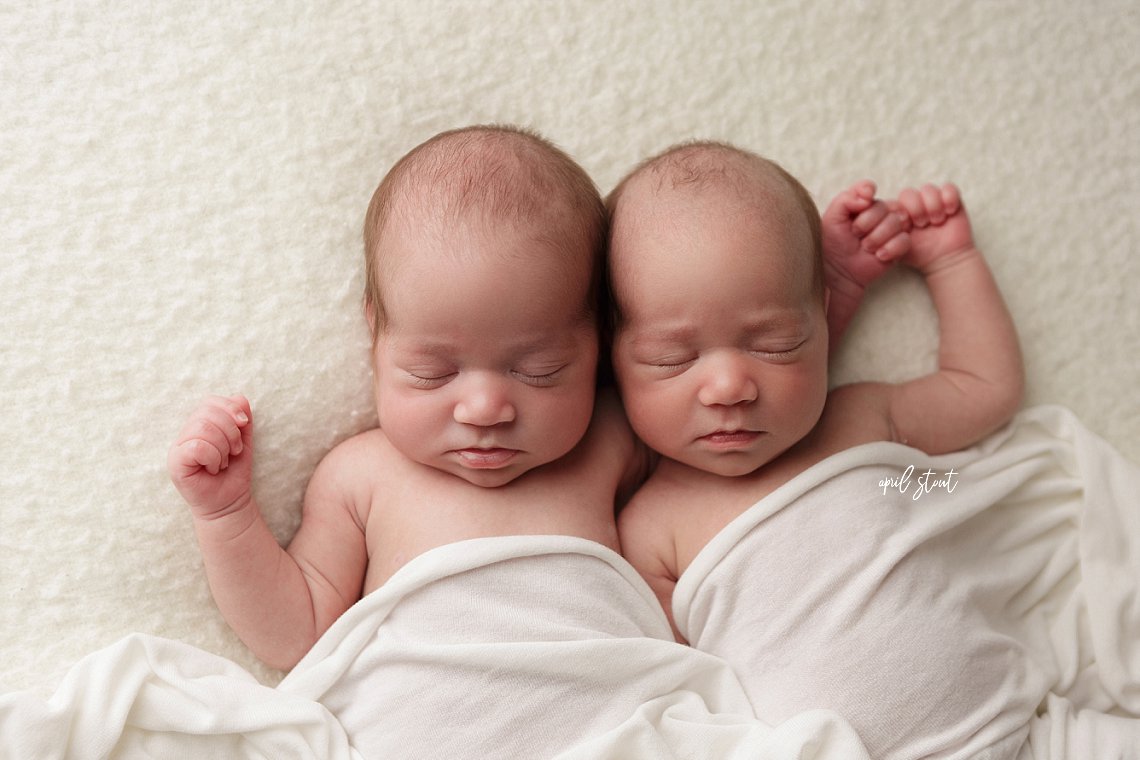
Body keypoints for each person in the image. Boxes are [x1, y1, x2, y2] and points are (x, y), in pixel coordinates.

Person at [166, 124, 646, 671]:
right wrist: (227, 515)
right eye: (432, 372)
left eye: (540, 371)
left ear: (600, 341)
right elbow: (295, 637)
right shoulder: (362, 476)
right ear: (376, 335)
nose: (484, 409)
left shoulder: (613, 441)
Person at [608, 140, 1026, 757]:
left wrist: (952, 262)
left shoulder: (858, 422)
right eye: (672, 358)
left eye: (775, 344)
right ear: (611, 363)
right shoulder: (651, 529)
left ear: (823, 323)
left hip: (1021, 728)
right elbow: (678, 695)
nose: (729, 387)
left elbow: (984, 389)